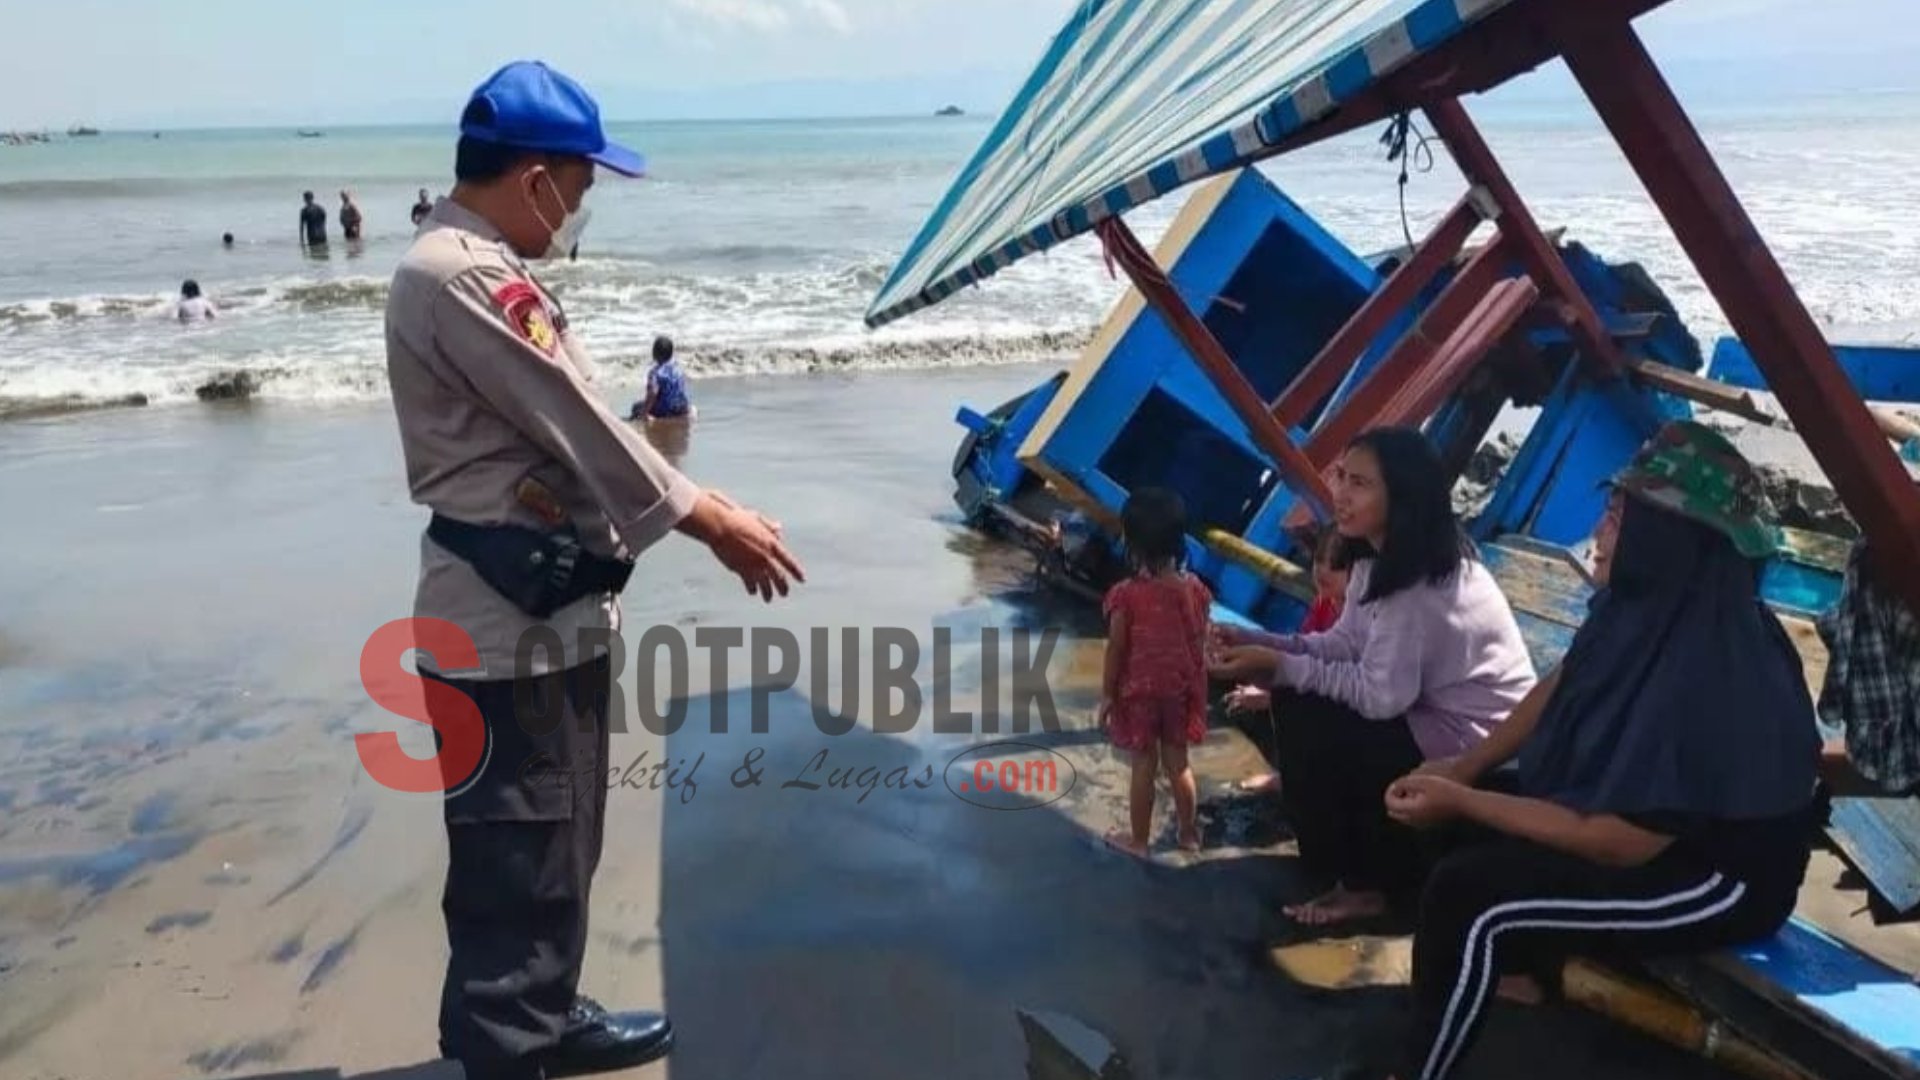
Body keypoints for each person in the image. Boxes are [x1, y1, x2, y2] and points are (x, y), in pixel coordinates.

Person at [384, 60, 804, 1080]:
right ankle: (507, 1049)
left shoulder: (469, 266)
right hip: (502, 636)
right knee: (517, 860)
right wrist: (710, 518)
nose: (581, 206)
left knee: (556, 845)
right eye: (580, 184)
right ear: (537, 177)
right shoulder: (466, 276)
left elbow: (573, 435)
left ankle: (547, 1013)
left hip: (541, 616)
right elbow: (581, 425)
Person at [1375, 421, 1819, 1080]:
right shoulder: (1650, 601)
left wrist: (1464, 797)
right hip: (1648, 830)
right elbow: (1565, 680)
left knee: (1469, 896)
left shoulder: (1708, 668)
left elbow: (1621, 842)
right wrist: (1467, 769)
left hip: (1716, 878)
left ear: (1665, 540)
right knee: (1450, 820)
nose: (1601, 531)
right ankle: (1519, 973)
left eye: (1617, 517)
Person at [1210, 428, 1535, 926]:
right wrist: (1264, 645)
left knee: (1317, 718)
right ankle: (1336, 862)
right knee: (1300, 699)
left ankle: (1370, 885)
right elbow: (1345, 644)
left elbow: (1382, 698)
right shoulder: (1376, 560)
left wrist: (1278, 668)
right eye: (1341, 475)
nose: (1340, 493)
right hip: (1427, 710)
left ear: (1402, 497)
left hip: (1477, 741)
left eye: (1359, 483)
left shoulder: (1420, 585)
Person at [1099, 488, 1213, 857]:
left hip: (1141, 694)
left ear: (1131, 543)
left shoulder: (1125, 596)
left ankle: (1138, 842)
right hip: (1179, 690)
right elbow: (1198, 639)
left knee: (1144, 764)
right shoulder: (1195, 590)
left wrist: (1107, 693)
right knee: (1179, 764)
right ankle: (1188, 834)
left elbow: (1116, 649)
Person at [1222, 525, 1352, 793]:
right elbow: (1300, 648)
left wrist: (1273, 698)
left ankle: (1292, 779)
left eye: (1336, 565)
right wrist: (1245, 640)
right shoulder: (1324, 603)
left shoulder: (1362, 619)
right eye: (1318, 560)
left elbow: (1341, 685)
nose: (1322, 570)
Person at [629, 335, 692, 422]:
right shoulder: (678, 369)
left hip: (664, 410)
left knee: (635, 407)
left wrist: (645, 413)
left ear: (654, 354)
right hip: (681, 408)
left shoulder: (655, 373)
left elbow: (653, 392)